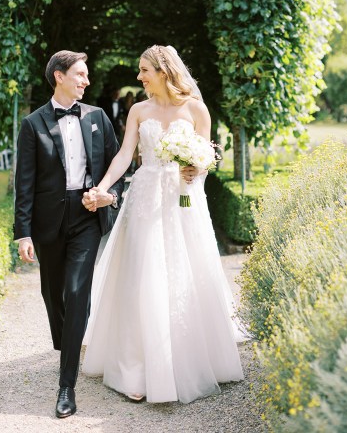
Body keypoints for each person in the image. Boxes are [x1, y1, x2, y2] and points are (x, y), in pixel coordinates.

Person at [81, 45, 244, 404]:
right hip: (146, 197)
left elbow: (204, 155)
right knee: (145, 271)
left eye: (144, 70)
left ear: (164, 70)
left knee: (188, 270)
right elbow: (127, 154)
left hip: (185, 199)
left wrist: (196, 167)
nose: (139, 77)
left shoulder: (196, 109)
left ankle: (192, 360)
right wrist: (103, 186)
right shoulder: (139, 110)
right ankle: (137, 368)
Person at [14, 50, 124, 418]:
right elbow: (24, 183)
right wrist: (23, 233)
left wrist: (110, 195)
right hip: (48, 223)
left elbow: (116, 166)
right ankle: (69, 340)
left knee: (77, 292)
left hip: (87, 217)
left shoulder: (97, 117)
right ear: (59, 76)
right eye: (80, 74)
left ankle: (66, 387)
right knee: (53, 294)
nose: (86, 81)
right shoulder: (32, 124)